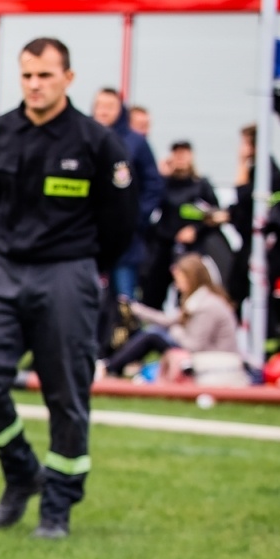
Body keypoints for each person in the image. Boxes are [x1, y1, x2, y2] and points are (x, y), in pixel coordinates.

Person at [0, 37, 136, 540]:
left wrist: (85, 269)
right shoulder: (1, 133)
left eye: (45, 76)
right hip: (6, 267)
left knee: (66, 393)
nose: (35, 85)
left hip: (68, 271)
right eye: (27, 76)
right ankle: (21, 470)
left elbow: (121, 221)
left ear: (68, 78)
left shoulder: (95, 142)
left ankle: (57, 503)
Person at [102, 253, 242, 382]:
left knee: (153, 335)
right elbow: (168, 320)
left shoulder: (207, 306)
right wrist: (136, 309)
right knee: (153, 332)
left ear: (191, 278)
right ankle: (110, 366)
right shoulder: (198, 299)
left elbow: (195, 345)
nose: (176, 284)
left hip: (214, 358)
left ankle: (108, 367)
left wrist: (175, 330)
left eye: (179, 279)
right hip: (203, 352)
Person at [90, 89, 163, 312]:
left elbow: (154, 185)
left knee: (124, 302)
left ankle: (125, 345)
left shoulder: (136, 143)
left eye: (109, 106)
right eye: (99, 105)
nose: (103, 111)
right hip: (89, 238)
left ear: (120, 110)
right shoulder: (83, 137)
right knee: (88, 299)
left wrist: (135, 218)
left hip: (125, 241)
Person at [144, 141, 224, 311]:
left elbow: (216, 216)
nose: (180, 158)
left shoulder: (201, 185)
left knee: (189, 290)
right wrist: (158, 177)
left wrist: (196, 230)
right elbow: (149, 206)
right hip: (164, 244)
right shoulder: (164, 184)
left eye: (184, 153)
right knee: (153, 292)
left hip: (190, 248)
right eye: (176, 154)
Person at [229, 123, 280, 308]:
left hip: (259, 241)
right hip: (255, 239)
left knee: (238, 287)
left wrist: (241, 163)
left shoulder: (264, 172)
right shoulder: (265, 168)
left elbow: (243, 195)